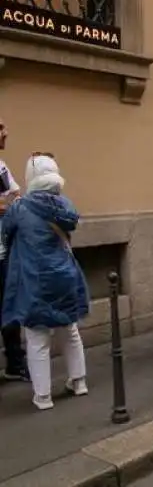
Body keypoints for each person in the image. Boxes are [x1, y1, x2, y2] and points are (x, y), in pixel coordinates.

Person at [2, 155, 89, 410]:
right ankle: (79, 381)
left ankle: (43, 396)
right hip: (64, 275)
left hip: (34, 278)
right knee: (69, 330)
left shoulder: (20, 207)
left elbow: (5, 233)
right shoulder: (64, 204)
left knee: (37, 337)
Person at [0, 117, 27, 381]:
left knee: (9, 304)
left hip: (4, 248)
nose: (6, 132)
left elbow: (16, 196)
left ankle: (15, 362)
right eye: (0, 128)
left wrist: (6, 202)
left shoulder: (1, 166)